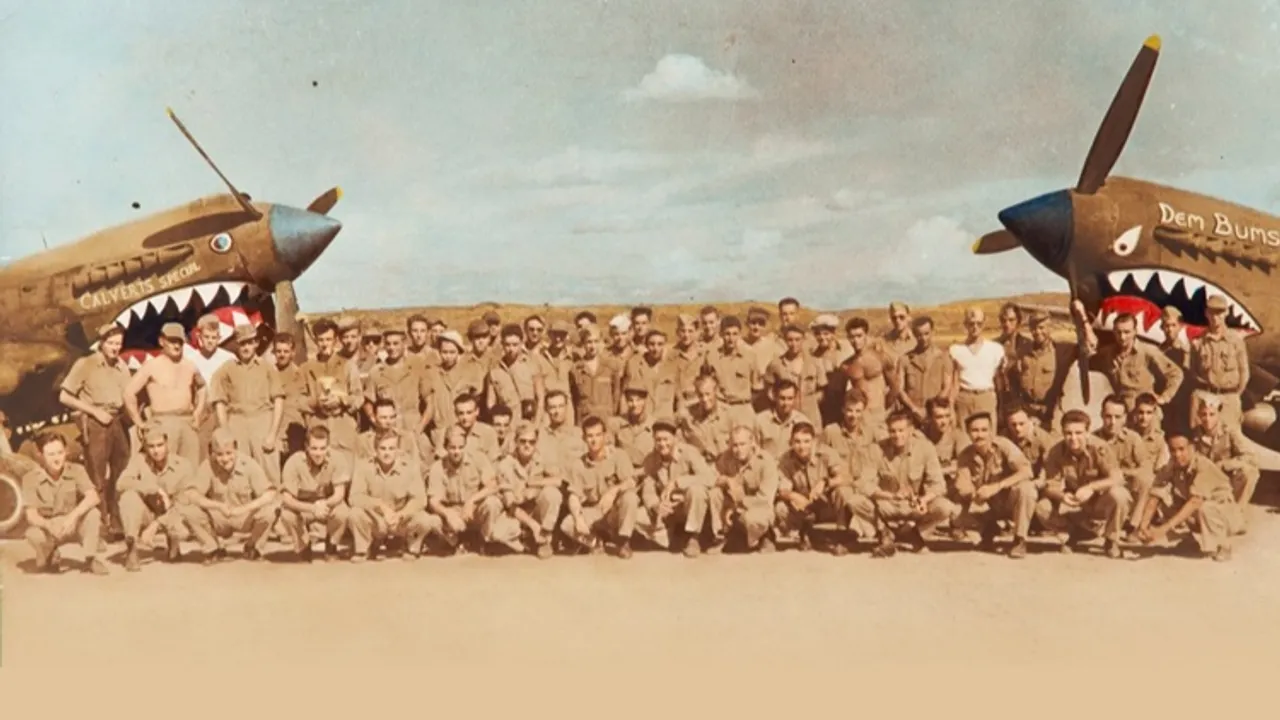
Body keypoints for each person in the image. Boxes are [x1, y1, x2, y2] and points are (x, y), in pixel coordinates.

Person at [59, 322, 132, 537]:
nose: (115, 348)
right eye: (111, 343)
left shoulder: (122, 366)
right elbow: (64, 396)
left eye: (118, 344)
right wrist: (94, 412)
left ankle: (117, 523)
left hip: (118, 422)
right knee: (96, 477)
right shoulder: (86, 364)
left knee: (121, 474)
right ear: (101, 343)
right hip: (96, 423)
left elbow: (128, 395)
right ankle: (97, 526)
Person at [176, 428, 278, 563]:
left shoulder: (249, 464)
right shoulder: (208, 465)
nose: (225, 459)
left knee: (271, 510)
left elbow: (269, 494)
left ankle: (253, 547)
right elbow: (192, 494)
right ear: (212, 453)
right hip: (219, 516)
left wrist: (243, 509)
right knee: (189, 510)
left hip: (244, 516)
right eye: (219, 454)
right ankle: (213, 549)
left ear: (236, 449)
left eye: (229, 453)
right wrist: (217, 506)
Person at [1038, 410, 1130, 559]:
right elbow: (1050, 484)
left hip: (1099, 501)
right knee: (1042, 508)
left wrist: (1091, 487)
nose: (1073, 438)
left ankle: (1111, 540)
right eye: (1068, 433)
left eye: (1078, 433)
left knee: (1120, 495)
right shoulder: (1056, 452)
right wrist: (1062, 496)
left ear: (1087, 433)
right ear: (1062, 433)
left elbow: (1117, 478)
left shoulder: (1099, 448)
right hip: (1074, 504)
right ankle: (1072, 534)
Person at [1135, 434, 1244, 562]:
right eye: (1173, 450)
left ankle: (1223, 545)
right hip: (1201, 514)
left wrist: (1162, 530)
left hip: (1226, 515)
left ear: (1192, 448)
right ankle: (1189, 541)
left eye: (1182, 449)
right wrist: (1144, 525)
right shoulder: (1172, 465)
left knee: (1204, 508)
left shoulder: (1203, 465)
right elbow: (1155, 494)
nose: (1177, 454)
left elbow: (1195, 502)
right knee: (1167, 504)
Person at [776, 422, 877, 556]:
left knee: (843, 491)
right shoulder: (786, 460)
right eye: (797, 442)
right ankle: (804, 533)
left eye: (806, 441)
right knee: (781, 508)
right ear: (791, 442)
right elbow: (783, 489)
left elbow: (846, 476)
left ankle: (842, 535)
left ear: (814, 441)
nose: (801, 446)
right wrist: (794, 496)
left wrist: (825, 482)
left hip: (827, 504)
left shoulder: (826, 453)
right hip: (804, 506)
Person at [867, 411, 953, 557]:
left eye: (901, 430)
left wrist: (924, 500)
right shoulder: (876, 449)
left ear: (911, 430)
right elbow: (866, 485)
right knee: (857, 502)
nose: (897, 435)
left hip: (913, 505)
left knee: (945, 507)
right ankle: (884, 531)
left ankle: (910, 532)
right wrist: (891, 496)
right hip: (886, 504)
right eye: (892, 431)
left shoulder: (926, 448)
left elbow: (939, 484)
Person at [21, 432, 108, 574]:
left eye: (60, 453)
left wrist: (72, 518)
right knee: (32, 534)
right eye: (51, 454)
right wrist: (48, 525)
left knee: (93, 513)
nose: (57, 459)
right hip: (50, 527)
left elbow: (93, 497)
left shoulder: (76, 470)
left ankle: (90, 558)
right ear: (40, 455)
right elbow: (30, 515)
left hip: (72, 524)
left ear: (66, 451)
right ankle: (50, 553)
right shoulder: (30, 478)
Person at [209, 324, 284, 485]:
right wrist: (226, 431)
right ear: (236, 345)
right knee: (240, 470)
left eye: (250, 342)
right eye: (242, 343)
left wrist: (272, 433)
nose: (246, 347)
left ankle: (273, 500)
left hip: (262, 421)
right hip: (237, 422)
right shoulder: (227, 369)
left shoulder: (267, 368)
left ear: (256, 343)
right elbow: (219, 401)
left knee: (268, 469)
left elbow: (278, 400)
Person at [953, 412, 1036, 559]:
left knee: (1027, 489)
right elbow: (963, 486)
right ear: (968, 433)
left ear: (991, 431)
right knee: (955, 512)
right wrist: (976, 496)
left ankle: (1019, 539)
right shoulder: (965, 456)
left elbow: (1026, 471)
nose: (980, 435)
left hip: (1009, 501)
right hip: (986, 505)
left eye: (984, 430)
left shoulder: (1004, 446)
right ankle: (988, 529)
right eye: (975, 430)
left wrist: (997, 486)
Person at [116, 421, 196, 571]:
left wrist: (156, 526)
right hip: (149, 511)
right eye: (151, 446)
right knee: (128, 497)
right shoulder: (139, 461)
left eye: (160, 445)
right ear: (145, 447)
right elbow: (121, 483)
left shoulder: (183, 465)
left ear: (167, 444)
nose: (156, 451)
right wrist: (153, 489)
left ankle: (173, 542)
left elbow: (185, 502)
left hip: (172, 513)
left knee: (184, 525)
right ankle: (132, 548)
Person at [123, 322, 206, 463]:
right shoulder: (151, 366)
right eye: (172, 341)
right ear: (162, 341)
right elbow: (128, 393)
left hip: (187, 422)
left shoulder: (190, 366)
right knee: (165, 466)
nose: (176, 346)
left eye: (180, 342)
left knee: (191, 466)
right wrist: (139, 422)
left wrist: (198, 413)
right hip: (162, 422)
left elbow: (202, 387)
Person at [1077, 308, 1184, 415]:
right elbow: (1087, 362)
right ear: (1114, 331)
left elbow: (1176, 373)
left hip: (1146, 414)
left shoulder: (1147, 351)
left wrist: (1164, 398)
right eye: (1119, 332)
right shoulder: (1107, 353)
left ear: (1135, 332)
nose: (1122, 337)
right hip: (1122, 413)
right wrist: (1083, 324)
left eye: (1127, 332)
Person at [561, 416, 641, 557]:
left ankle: (624, 542)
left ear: (605, 436)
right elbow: (573, 495)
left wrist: (614, 491)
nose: (594, 440)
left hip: (615, 512)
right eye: (590, 436)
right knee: (567, 524)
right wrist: (578, 519)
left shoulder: (618, 455)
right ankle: (595, 542)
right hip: (595, 513)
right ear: (584, 438)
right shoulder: (579, 464)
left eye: (598, 435)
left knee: (630, 497)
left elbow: (632, 481)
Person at [347, 430, 432, 562]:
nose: (387, 453)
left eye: (391, 448)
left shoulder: (409, 468)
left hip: (400, 520)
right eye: (383, 448)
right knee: (354, 514)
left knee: (425, 519)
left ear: (397, 450)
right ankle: (363, 549)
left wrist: (401, 514)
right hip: (376, 520)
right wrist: (379, 506)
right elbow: (354, 497)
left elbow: (420, 499)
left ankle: (411, 547)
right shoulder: (364, 467)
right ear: (375, 450)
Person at [639, 417, 718, 558]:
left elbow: (709, 478)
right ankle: (669, 536)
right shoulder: (651, 459)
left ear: (675, 438)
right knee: (638, 516)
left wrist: (678, 482)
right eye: (658, 440)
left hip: (689, 506)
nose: (662, 444)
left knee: (697, 490)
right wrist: (655, 506)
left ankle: (693, 537)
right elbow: (648, 488)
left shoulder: (689, 452)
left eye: (666, 439)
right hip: (668, 510)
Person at [425, 425, 503, 555]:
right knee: (433, 521)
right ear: (445, 448)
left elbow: (493, 485)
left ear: (466, 446)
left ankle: (484, 540)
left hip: (474, 509)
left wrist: (472, 501)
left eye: (461, 447)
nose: (457, 452)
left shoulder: (478, 458)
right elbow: (433, 501)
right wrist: (448, 514)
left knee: (492, 503)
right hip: (453, 511)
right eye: (452, 448)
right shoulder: (438, 467)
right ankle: (454, 541)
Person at [278, 426, 352, 562]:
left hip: (326, 505)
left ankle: (332, 545)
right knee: (287, 514)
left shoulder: (338, 459)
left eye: (323, 448)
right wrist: (312, 508)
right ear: (306, 447)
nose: (318, 453)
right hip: (303, 507)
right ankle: (303, 546)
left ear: (328, 447)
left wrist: (323, 504)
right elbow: (287, 499)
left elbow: (339, 494)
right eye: (314, 448)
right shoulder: (294, 462)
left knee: (343, 512)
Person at [496, 422, 564, 559]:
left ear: (536, 443)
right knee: (496, 533)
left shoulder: (541, 459)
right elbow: (510, 504)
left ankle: (545, 538)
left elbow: (560, 480)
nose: (527, 445)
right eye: (523, 441)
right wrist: (533, 525)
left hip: (537, 512)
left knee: (553, 494)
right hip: (516, 515)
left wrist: (535, 485)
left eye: (532, 442)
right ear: (516, 442)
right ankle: (526, 541)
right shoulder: (505, 465)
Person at [711, 426, 779, 553]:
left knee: (753, 518)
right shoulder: (727, 457)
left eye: (742, 444)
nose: (738, 449)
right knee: (715, 493)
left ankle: (765, 535)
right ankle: (721, 536)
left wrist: (737, 506)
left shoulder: (766, 462)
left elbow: (765, 499)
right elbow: (712, 477)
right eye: (735, 445)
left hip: (758, 508)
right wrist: (727, 480)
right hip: (735, 507)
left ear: (752, 442)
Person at [1094, 394, 1154, 538]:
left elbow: (1146, 468)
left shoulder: (1132, 438)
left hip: (1127, 488)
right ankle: (1104, 528)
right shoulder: (1093, 440)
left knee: (1147, 479)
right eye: (1108, 416)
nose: (1112, 422)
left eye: (1117, 417)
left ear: (1125, 418)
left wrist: (1123, 473)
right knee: (1115, 493)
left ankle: (1133, 526)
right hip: (1103, 493)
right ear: (1101, 415)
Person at [1189, 294, 1250, 430]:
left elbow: (1244, 373)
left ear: (1226, 313)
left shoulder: (1236, 341)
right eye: (1212, 312)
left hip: (1229, 398)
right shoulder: (1199, 341)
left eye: (1219, 312)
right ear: (1206, 313)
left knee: (1229, 437)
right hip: (1205, 397)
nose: (1215, 317)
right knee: (1200, 438)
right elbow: (1193, 371)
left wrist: (1234, 397)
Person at [1190, 392, 1260, 508]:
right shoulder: (1195, 434)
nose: (1207, 419)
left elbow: (1250, 456)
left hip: (1226, 477)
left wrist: (1224, 464)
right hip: (1205, 479)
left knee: (1250, 472)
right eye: (1203, 414)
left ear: (1218, 414)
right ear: (1198, 415)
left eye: (1212, 414)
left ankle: (1237, 511)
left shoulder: (1230, 432)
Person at [303, 318, 363, 453]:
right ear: (315, 341)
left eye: (328, 339)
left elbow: (359, 397)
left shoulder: (348, 365)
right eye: (321, 340)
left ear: (336, 340)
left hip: (343, 427)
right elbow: (298, 400)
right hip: (318, 429)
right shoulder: (306, 368)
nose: (324, 344)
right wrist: (316, 402)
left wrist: (341, 400)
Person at [949, 308, 1004, 428]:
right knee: (963, 436)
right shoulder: (956, 350)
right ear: (965, 324)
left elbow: (999, 382)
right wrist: (951, 408)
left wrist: (1001, 407)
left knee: (988, 435)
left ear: (984, 324)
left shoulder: (996, 349)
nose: (975, 327)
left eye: (979, 323)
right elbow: (954, 383)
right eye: (971, 323)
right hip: (964, 399)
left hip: (986, 397)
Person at [702, 315, 758, 427]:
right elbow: (706, 384)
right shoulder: (711, 357)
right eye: (727, 334)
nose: (731, 338)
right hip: (721, 408)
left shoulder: (750, 356)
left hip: (743, 408)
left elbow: (756, 387)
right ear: (721, 334)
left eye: (735, 334)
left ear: (740, 335)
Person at [895, 316, 950, 426]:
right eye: (919, 335)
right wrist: (914, 409)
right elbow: (900, 390)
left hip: (934, 417)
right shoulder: (905, 359)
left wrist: (933, 409)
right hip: (912, 415)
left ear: (932, 332)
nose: (923, 338)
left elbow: (947, 386)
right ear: (914, 334)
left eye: (926, 334)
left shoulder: (942, 357)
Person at [763, 323, 823, 423]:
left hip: (811, 416)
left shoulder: (815, 362)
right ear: (785, 341)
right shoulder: (776, 364)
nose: (794, 344)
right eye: (790, 340)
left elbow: (822, 390)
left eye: (797, 339)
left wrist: (811, 401)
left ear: (803, 340)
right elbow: (768, 390)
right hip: (786, 417)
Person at [486, 323, 545, 423]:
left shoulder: (532, 364)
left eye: (515, 345)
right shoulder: (494, 371)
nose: (511, 349)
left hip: (529, 422)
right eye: (507, 345)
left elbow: (540, 398)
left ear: (521, 343)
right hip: (507, 424)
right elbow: (491, 403)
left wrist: (536, 424)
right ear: (502, 344)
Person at [569, 325, 623, 423]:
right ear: (583, 344)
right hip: (585, 419)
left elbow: (616, 393)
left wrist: (612, 413)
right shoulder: (576, 369)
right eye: (589, 342)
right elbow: (574, 398)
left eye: (596, 341)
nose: (592, 346)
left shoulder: (611, 365)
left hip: (606, 418)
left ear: (601, 343)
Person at [270, 332, 310, 462]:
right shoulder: (269, 373)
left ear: (293, 353)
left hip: (295, 431)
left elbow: (305, 407)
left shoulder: (300, 374)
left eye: (286, 351)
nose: (282, 355)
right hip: (275, 431)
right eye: (278, 351)